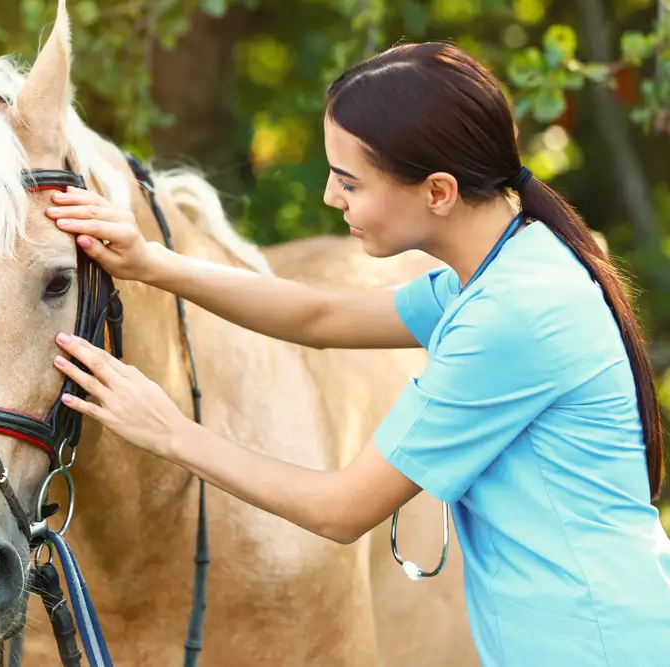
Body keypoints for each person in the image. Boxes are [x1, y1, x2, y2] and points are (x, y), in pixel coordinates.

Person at [44, 42, 670, 666]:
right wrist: (151, 263)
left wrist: (171, 433)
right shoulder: (499, 268)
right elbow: (321, 316)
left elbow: (340, 510)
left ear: (439, 192)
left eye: (349, 181)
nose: (329, 197)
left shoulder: (511, 314)